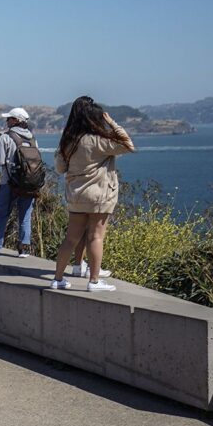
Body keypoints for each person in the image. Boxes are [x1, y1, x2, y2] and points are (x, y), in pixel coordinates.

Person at [50, 97, 136, 292]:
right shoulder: (99, 141)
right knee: (95, 237)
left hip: (76, 195)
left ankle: (57, 279)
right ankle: (94, 281)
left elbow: (60, 169)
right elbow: (128, 144)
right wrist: (112, 123)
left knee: (70, 239)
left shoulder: (69, 141)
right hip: (99, 196)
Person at [0, 108, 38, 258]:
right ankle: (23, 248)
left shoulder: (6, 138)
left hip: (9, 182)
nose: (6, 121)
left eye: (9, 119)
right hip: (29, 183)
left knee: (1, 214)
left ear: (16, 120)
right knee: (25, 215)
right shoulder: (32, 138)